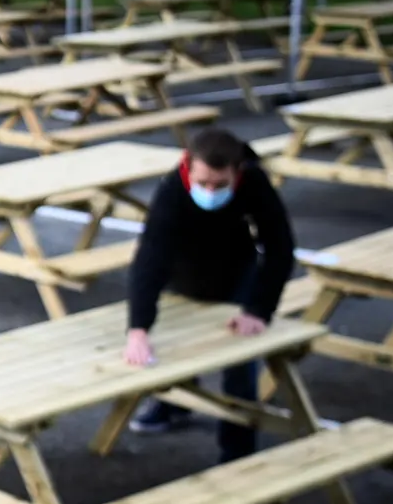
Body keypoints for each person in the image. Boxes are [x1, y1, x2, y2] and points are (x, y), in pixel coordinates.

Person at [124, 126, 295, 462]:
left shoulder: (255, 183)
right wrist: (138, 329)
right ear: (189, 167)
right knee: (176, 343)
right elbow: (149, 259)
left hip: (235, 270)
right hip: (182, 269)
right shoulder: (173, 189)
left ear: (238, 171)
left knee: (241, 365)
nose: (210, 191)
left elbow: (280, 247)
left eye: (220, 185)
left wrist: (258, 310)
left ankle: (237, 449)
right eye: (203, 183)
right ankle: (172, 404)